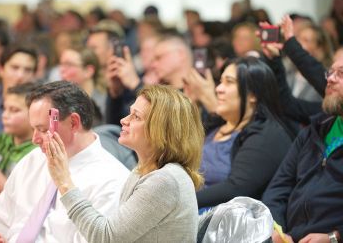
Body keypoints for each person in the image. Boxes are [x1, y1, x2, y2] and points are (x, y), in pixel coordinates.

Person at [43, 84, 204, 242]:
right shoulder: (141, 172)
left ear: (161, 129)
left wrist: (64, 182)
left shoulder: (165, 181)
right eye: (129, 113)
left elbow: (105, 237)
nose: (123, 120)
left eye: (136, 117)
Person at [0, 81, 130, 242]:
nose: (35, 139)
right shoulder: (33, 159)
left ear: (73, 123)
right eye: (33, 129)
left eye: (42, 130)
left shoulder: (113, 179)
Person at [262, 59, 343, 243]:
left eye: (341, 74)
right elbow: (278, 188)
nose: (330, 79)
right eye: (330, 72)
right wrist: (276, 229)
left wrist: (334, 237)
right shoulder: (313, 130)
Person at [195, 57, 293, 209]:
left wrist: (180, 202)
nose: (218, 88)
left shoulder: (267, 136)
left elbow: (236, 188)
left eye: (229, 82)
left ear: (253, 94)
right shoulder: (215, 124)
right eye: (220, 81)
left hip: (219, 222)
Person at [59, 47, 106, 122]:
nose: (62, 70)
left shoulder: (104, 103)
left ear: (88, 71)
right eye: (61, 64)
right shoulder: (62, 102)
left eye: (69, 64)